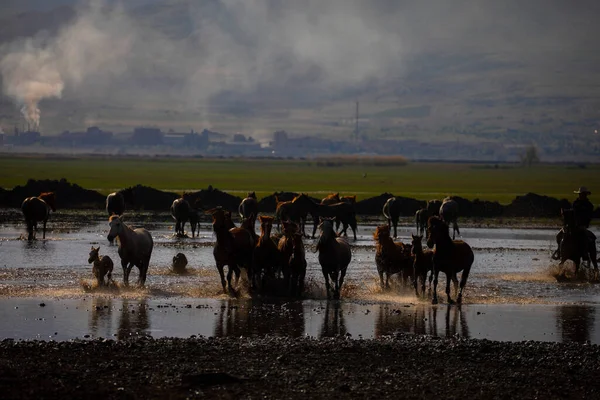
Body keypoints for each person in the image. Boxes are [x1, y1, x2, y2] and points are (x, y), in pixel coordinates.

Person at [553, 186, 596, 263]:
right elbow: (572, 213)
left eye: (583, 194)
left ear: (586, 195)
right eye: (580, 194)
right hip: (571, 225)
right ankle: (559, 251)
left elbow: (588, 216)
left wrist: (583, 224)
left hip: (582, 226)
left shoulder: (589, 205)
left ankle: (585, 253)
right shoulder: (575, 203)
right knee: (559, 236)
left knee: (586, 238)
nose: (581, 195)